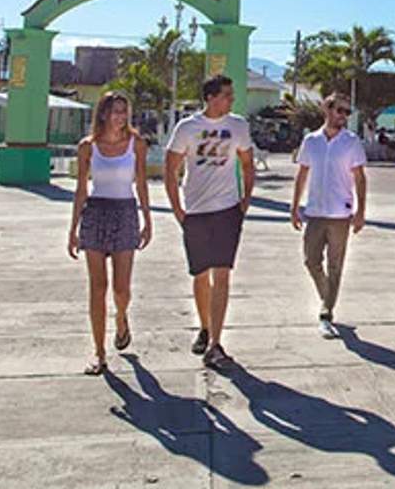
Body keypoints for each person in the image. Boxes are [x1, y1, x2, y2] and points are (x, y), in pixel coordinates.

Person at [164, 74, 255, 370]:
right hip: (196, 210)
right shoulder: (187, 128)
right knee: (200, 275)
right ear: (211, 97)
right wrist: (178, 210)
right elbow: (171, 168)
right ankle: (205, 327)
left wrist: (245, 201)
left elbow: (247, 162)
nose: (231, 100)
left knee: (223, 274)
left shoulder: (238, 125)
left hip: (227, 209)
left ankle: (216, 343)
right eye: (227, 95)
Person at [68, 90, 152, 376]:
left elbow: (141, 183)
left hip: (125, 212)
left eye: (124, 111)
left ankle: (122, 318)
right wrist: (73, 228)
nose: (120, 117)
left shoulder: (136, 143)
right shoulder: (88, 147)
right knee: (97, 287)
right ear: (103, 113)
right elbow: (81, 189)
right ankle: (99, 352)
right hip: (95, 213)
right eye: (115, 111)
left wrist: (147, 219)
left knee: (121, 288)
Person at [290, 92, 367, 339]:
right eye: (340, 111)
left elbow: (359, 177)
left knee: (335, 265)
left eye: (347, 112)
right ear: (328, 110)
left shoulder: (351, 142)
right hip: (314, 211)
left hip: (340, 214)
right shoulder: (311, 141)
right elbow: (302, 174)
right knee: (311, 261)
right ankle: (327, 296)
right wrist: (294, 206)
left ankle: (326, 313)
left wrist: (360, 211)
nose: (344, 116)